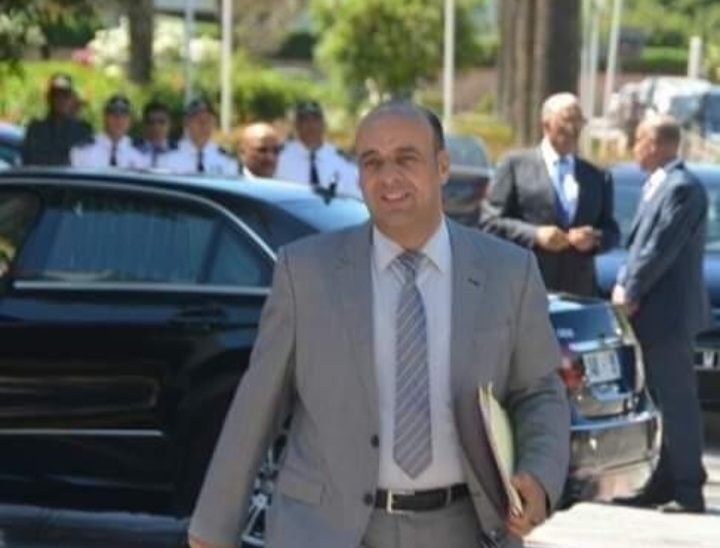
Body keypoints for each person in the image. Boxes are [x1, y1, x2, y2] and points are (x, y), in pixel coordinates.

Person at [187, 101, 570, 548]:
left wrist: (539, 475)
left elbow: (539, 391)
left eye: (406, 158)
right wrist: (213, 530)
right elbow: (257, 407)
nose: (388, 176)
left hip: (466, 530)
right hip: (325, 530)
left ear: (442, 166)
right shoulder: (305, 273)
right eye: (372, 162)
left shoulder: (509, 272)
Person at [612, 115, 709, 514]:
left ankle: (688, 488)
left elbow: (660, 248)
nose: (633, 147)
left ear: (657, 143)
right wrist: (625, 279)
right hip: (653, 314)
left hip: (669, 314)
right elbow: (639, 246)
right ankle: (664, 481)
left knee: (677, 402)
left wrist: (630, 288)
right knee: (657, 401)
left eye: (638, 140)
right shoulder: (658, 184)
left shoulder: (681, 187)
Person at [480, 92, 620, 296]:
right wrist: (535, 234)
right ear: (546, 124)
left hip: (577, 293)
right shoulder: (515, 166)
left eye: (579, 121)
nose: (574, 129)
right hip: (523, 289)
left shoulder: (597, 176)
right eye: (567, 121)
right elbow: (489, 223)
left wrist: (594, 238)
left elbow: (612, 231)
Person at [275, 100, 362, 198]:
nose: (310, 125)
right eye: (304, 120)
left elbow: (354, 196)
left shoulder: (341, 160)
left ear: (323, 123)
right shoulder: (279, 157)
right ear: (296, 124)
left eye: (315, 119)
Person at [21, 73, 93, 166]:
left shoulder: (83, 130)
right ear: (49, 98)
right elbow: (27, 162)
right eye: (56, 96)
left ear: (72, 98)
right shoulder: (36, 129)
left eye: (65, 96)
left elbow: (88, 162)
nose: (61, 100)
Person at [159, 98, 238, 176]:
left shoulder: (226, 159)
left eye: (208, 120)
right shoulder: (168, 157)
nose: (203, 125)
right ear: (186, 122)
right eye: (198, 120)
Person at [70, 94, 148, 170]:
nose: (119, 120)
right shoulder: (83, 151)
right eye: (114, 114)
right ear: (104, 117)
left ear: (130, 121)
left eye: (124, 116)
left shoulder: (140, 153)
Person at [134, 101, 177, 168]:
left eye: (162, 122)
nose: (156, 127)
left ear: (170, 124)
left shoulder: (178, 151)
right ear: (144, 124)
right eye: (151, 122)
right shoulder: (133, 149)